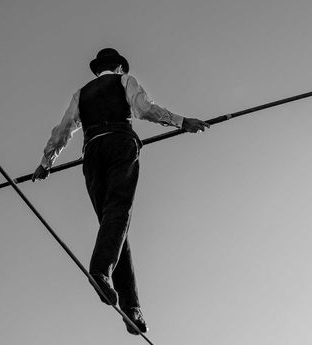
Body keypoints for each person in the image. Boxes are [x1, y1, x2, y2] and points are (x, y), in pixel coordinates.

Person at [31, 48, 209, 335]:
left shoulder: (81, 93)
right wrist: (181, 121)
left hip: (92, 155)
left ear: (99, 68)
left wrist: (45, 163)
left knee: (112, 225)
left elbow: (63, 129)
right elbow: (145, 109)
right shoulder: (125, 81)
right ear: (118, 67)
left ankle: (131, 308)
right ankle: (101, 269)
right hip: (119, 145)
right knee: (118, 212)